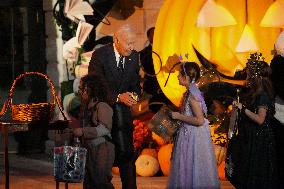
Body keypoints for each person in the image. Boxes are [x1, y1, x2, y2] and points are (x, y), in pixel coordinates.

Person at [88, 24, 141, 189]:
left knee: (127, 154)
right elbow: (94, 87)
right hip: (104, 115)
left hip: (123, 117)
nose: (131, 48)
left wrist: (134, 96)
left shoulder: (134, 57)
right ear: (116, 40)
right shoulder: (100, 55)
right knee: (104, 159)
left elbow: (135, 85)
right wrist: (118, 97)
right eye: (128, 43)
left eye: (134, 43)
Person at [229, 53, 278, 189]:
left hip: (258, 139)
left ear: (255, 76)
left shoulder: (263, 95)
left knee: (255, 175)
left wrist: (242, 108)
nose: (247, 76)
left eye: (249, 73)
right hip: (250, 137)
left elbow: (260, 119)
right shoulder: (254, 92)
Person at [167, 62, 220, 189]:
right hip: (187, 134)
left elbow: (200, 120)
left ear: (187, 77)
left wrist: (179, 116)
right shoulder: (188, 93)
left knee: (193, 166)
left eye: (180, 74)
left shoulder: (192, 96)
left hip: (194, 137)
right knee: (186, 167)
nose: (177, 77)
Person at [69, 74, 115, 189]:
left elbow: (104, 129)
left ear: (93, 90)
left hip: (103, 149)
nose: (81, 92)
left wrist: (83, 131)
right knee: (89, 182)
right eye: (81, 89)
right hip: (90, 150)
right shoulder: (86, 108)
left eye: (84, 89)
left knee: (101, 182)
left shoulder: (102, 106)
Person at [139, 27, 171, 112]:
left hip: (169, 86)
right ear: (149, 37)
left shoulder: (167, 48)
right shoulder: (145, 52)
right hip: (154, 88)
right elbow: (150, 67)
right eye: (154, 33)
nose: (157, 35)